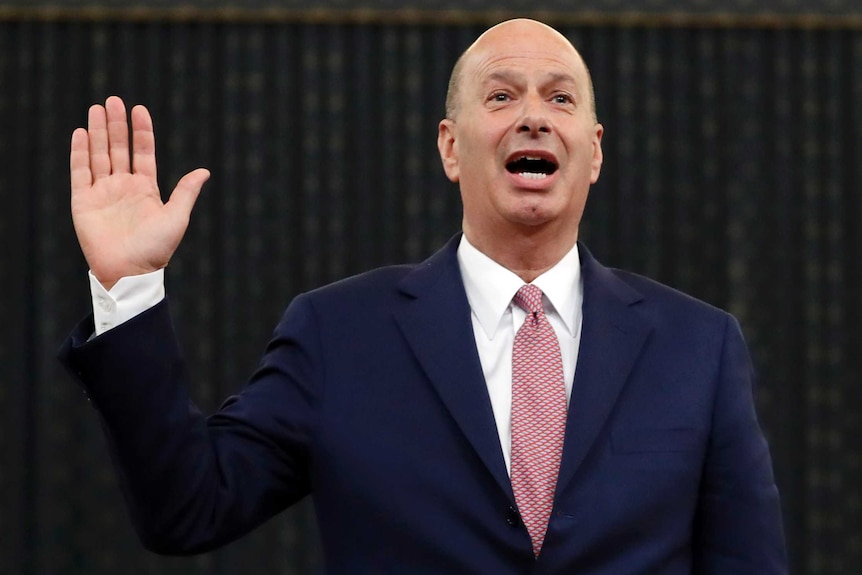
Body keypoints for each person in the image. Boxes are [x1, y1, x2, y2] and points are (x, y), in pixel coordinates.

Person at [60, 18, 788, 574]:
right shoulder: (338, 333)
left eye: (559, 98)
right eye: (501, 95)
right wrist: (129, 290)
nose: (533, 115)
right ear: (449, 145)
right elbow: (189, 506)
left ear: (594, 150)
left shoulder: (700, 345)